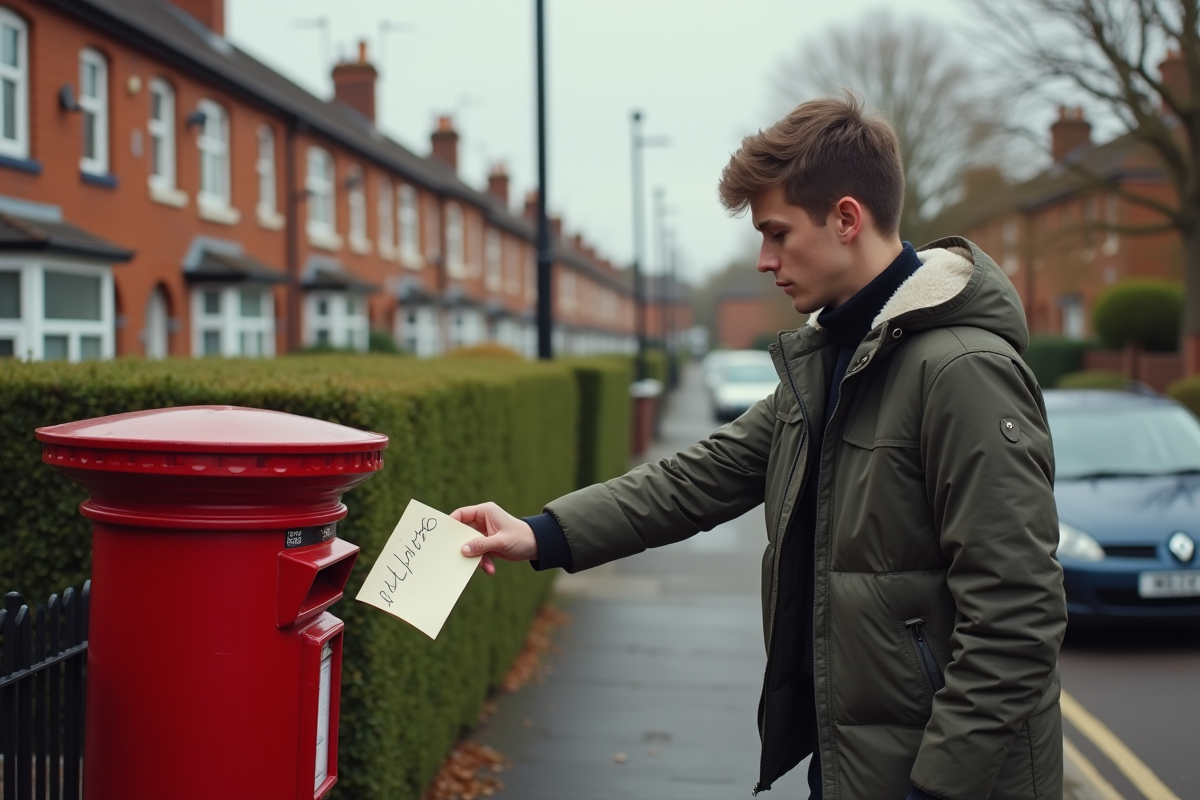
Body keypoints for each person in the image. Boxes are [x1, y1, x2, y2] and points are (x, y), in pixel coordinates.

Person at [452, 95, 1066, 800]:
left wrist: (935, 789)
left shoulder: (961, 371)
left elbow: (1017, 618)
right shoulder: (836, 357)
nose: (764, 260)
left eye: (777, 233)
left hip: (941, 780)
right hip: (853, 762)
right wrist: (541, 534)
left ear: (846, 219)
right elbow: (698, 477)